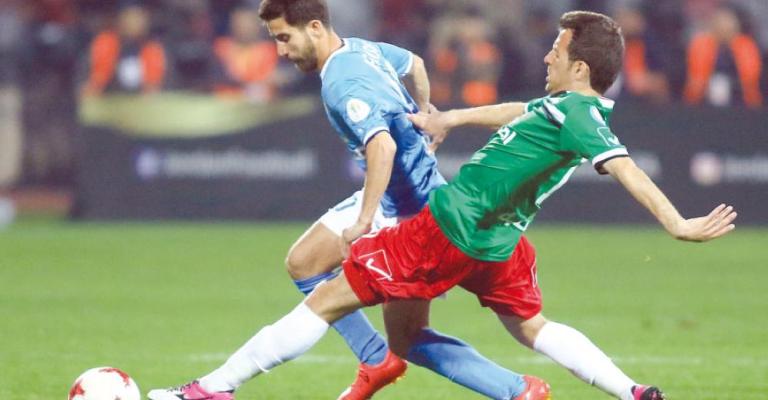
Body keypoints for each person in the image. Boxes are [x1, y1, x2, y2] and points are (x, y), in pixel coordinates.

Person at [148, 9, 739, 400]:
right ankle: (631, 392)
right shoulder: (566, 108)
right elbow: (517, 111)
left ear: (579, 67)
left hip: (444, 230)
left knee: (325, 298)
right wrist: (450, 117)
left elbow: (624, 166)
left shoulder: (583, 118)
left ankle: (214, 387)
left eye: (556, 52)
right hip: (500, 246)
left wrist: (677, 223)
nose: (546, 59)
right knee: (528, 327)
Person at [149, 0, 545, 399]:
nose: (281, 51)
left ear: (315, 27)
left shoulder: (342, 82)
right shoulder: (361, 49)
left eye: (285, 38)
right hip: (405, 197)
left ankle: (214, 388)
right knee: (306, 263)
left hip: (408, 214)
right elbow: (416, 65)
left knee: (378, 325)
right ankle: (381, 360)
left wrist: (363, 221)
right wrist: (426, 115)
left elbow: (382, 146)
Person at [81, 2, 166, 96]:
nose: (134, 22)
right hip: (110, 99)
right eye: (130, 17)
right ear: (120, 20)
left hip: (141, 102)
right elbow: (94, 82)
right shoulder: (106, 43)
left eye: (138, 17)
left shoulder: (152, 48)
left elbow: (155, 86)